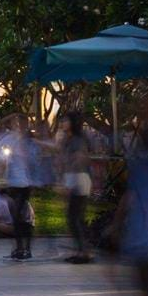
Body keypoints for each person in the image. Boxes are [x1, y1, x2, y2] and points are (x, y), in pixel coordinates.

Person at [0, 113, 51, 262]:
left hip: (24, 183)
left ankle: (26, 248)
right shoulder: (10, 139)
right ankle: (20, 248)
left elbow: (36, 160)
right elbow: (1, 156)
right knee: (15, 216)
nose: (18, 126)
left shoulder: (29, 142)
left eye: (21, 123)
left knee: (20, 215)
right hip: (12, 182)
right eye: (16, 123)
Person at [57, 111, 98, 262]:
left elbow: (80, 158)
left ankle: (84, 252)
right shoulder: (68, 139)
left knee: (74, 218)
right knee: (76, 218)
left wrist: (68, 183)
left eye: (65, 121)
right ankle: (82, 250)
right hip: (74, 178)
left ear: (73, 122)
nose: (62, 124)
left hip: (78, 179)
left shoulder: (77, 140)